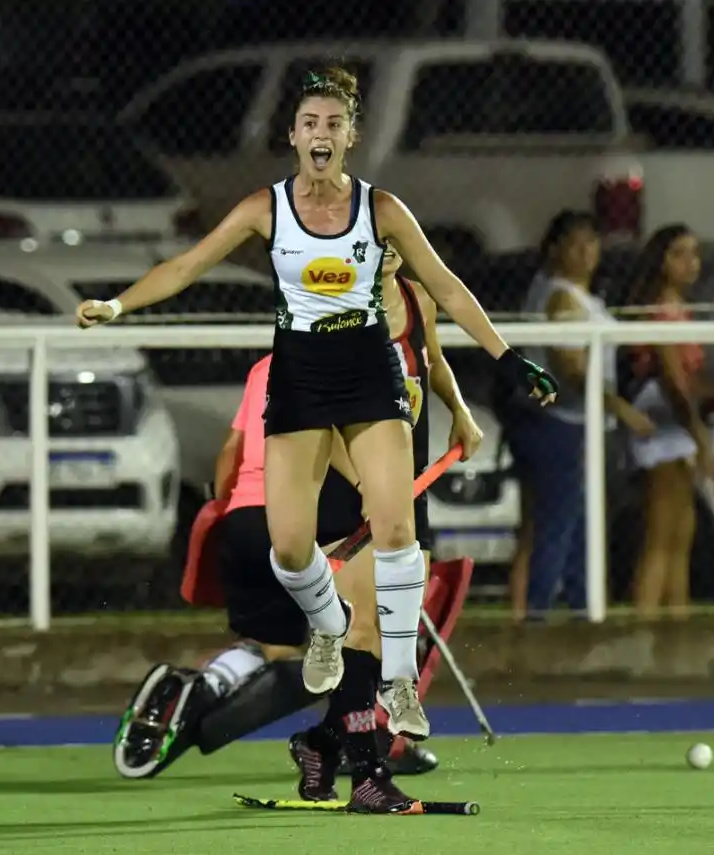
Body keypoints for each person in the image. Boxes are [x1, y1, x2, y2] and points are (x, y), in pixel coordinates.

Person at [79, 65, 556, 772]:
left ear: (351, 136)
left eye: (334, 124)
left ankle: (397, 686)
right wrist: (118, 306)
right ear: (294, 135)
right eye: (310, 124)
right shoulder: (264, 208)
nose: (321, 134)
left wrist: (508, 355)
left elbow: (446, 287)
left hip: (370, 374)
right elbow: (185, 266)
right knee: (292, 550)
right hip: (301, 378)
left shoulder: (383, 209)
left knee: (396, 529)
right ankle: (327, 627)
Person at [113, 241, 484, 812]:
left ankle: (320, 745)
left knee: (391, 637)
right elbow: (323, 417)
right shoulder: (333, 321)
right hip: (352, 487)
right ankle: (367, 772)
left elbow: (431, 361)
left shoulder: (417, 300)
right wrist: (364, 484)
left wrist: (459, 411)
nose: (384, 251)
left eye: (392, 243)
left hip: (407, 486)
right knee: (363, 631)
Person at [504, 211, 655, 620]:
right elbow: (569, 366)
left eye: (593, 242)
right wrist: (619, 408)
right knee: (560, 525)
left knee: (572, 526)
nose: (588, 252)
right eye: (576, 243)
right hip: (564, 427)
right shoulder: (560, 296)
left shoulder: (562, 292)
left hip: (566, 425)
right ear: (555, 250)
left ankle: (578, 608)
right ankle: (540, 616)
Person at [624, 224, 714, 620]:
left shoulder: (680, 306)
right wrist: (698, 432)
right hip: (660, 414)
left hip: (676, 418)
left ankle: (676, 627)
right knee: (661, 535)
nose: (690, 262)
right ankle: (643, 628)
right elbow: (671, 377)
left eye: (694, 253)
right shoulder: (660, 305)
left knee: (682, 534)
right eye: (679, 253)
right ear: (661, 261)